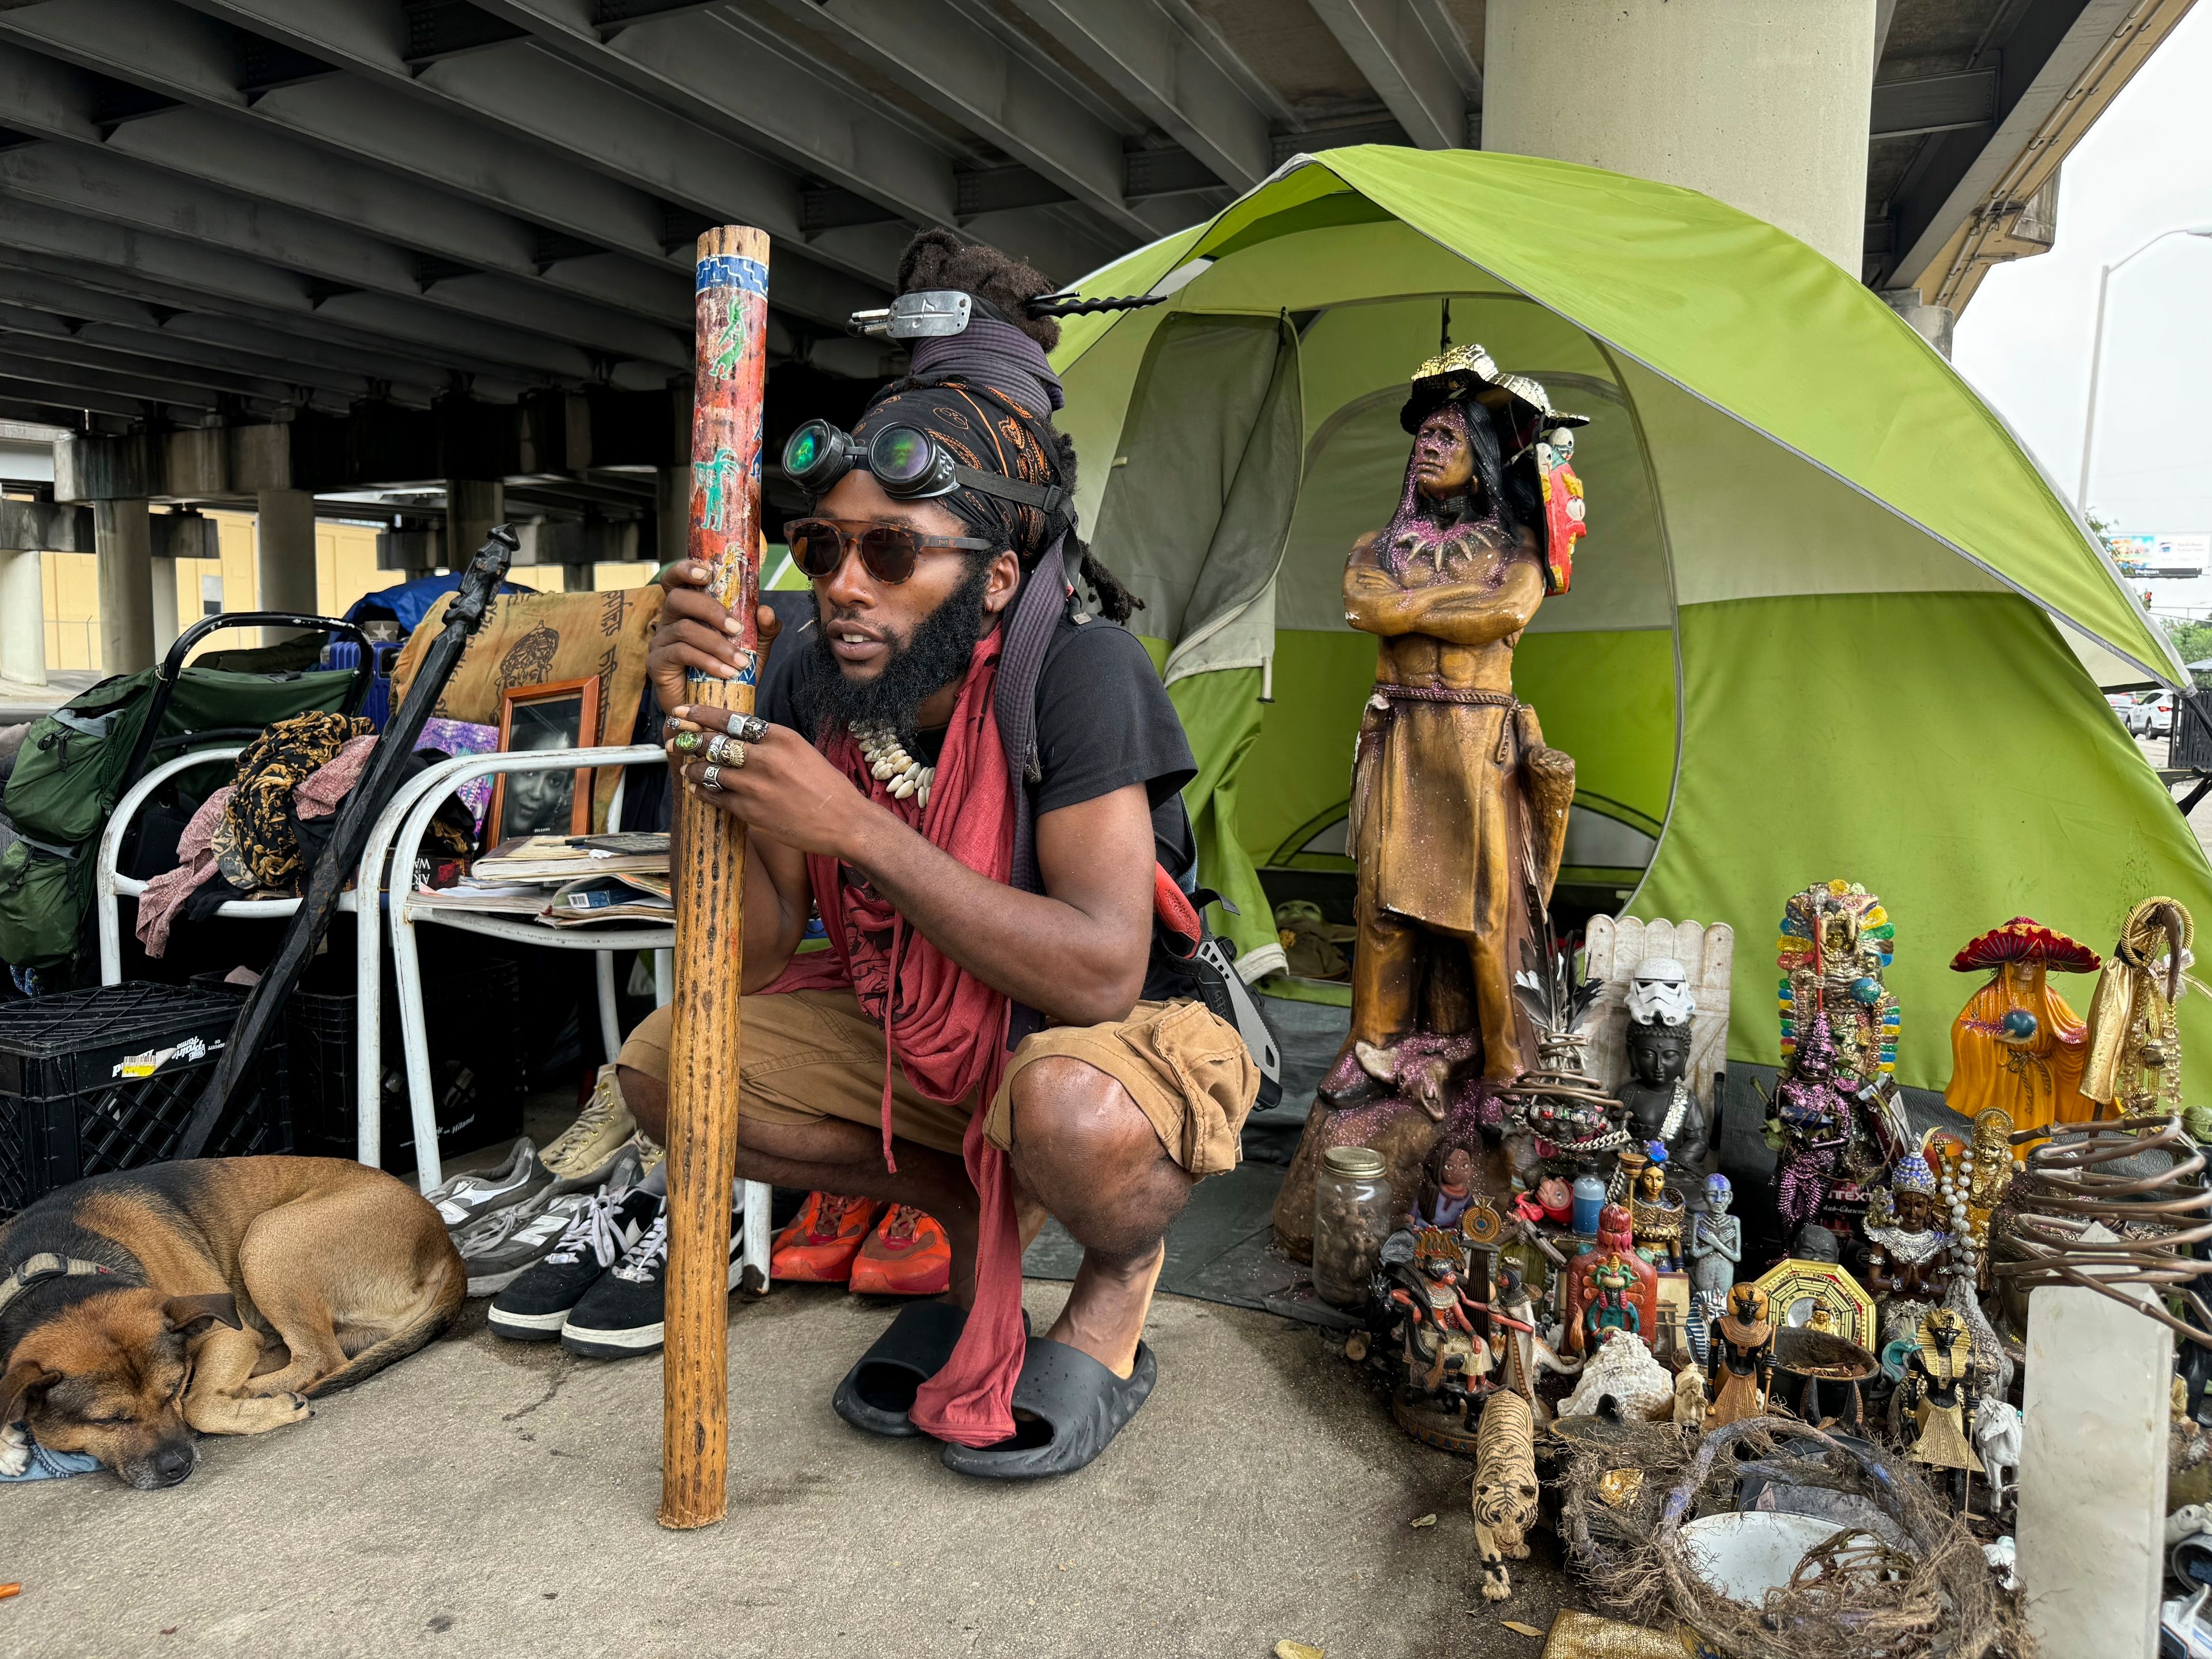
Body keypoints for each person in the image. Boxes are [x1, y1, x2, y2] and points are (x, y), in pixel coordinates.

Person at [590, 233, 1257, 1479]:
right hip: (919, 1029)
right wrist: (698, 746)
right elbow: (745, 956)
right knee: (674, 1061)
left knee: (1066, 1108)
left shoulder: (1081, 671)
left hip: (1111, 1041)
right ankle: (961, 1209)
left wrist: (854, 828)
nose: (845, 584)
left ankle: (1116, 1276)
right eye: (823, 547)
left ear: (996, 576)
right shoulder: (798, 671)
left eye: (893, 552)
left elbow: (1107, 969)